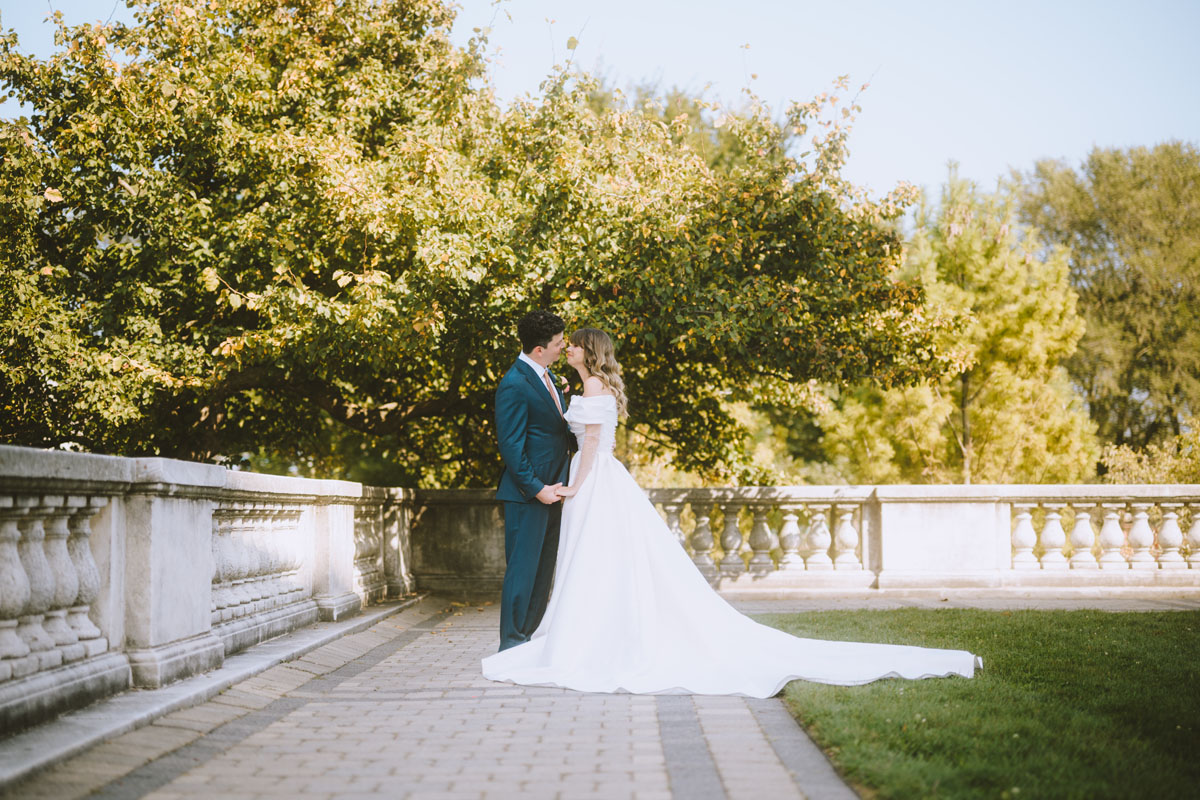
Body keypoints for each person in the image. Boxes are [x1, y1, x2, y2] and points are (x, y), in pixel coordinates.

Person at [483, 327, 981, 697]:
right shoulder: (583, 386)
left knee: (590, 561)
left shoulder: (591, 390)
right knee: (595, 563)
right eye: (561, 341)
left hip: (593, 482)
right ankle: (585, 632)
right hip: (598, 481)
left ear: (586, 353)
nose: (566, 346)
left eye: (573, 344)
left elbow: (591, 444)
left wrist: (575, 487)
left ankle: (588, 638)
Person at [493, 310, 571, 651]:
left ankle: (527, 639)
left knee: (543, 572)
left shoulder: (548, 377)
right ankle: (510, 643)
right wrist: (537, 489)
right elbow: (510, 446)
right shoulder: (513, 383)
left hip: (555, 489)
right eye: (557, 343)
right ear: (538, 349)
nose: (562, 347)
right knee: (522, 572)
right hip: (529, 494)